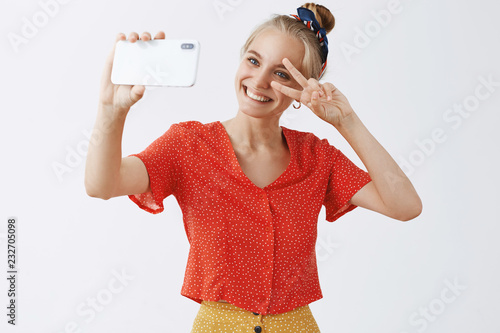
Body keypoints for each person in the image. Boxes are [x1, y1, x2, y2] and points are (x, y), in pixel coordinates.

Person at [85, 3, 422, 332]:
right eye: (253, 60)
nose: (259, 80)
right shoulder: (188, 144)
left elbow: (404, 205)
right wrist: (110, 112)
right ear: (241, 58)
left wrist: (347, 122)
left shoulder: (317, 157)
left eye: (280, 73)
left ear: (307, 83)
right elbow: (102, 185)